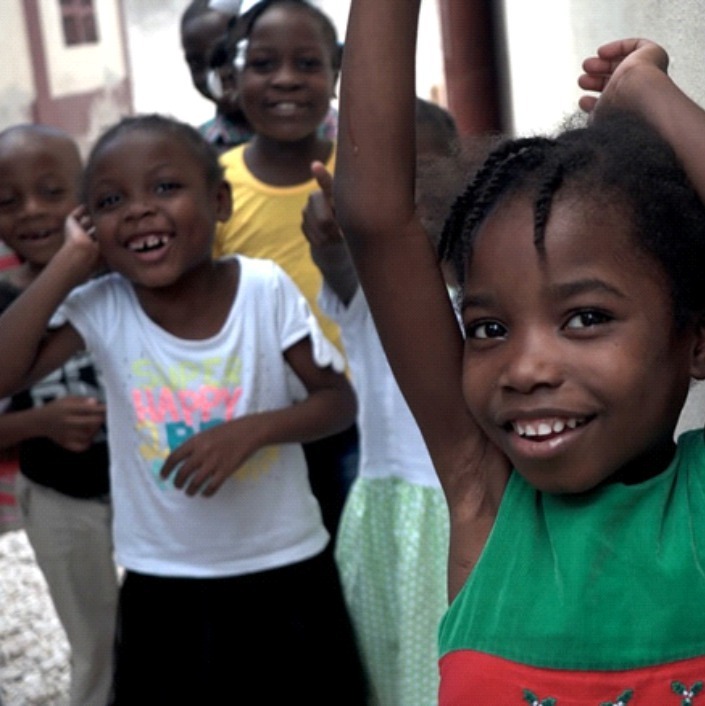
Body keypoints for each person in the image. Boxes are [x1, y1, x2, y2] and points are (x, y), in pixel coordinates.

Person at [334, 0, 705, 702]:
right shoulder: (487, 499)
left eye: (586, 317)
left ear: (694, 341)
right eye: (487, 329)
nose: (525, 368)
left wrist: (646, 94)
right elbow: (376, 218)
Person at [0, 114, 367, 705]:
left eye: (165, 187)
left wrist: (254, 431)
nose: (140, 210)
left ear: (219, 201)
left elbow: (338, 402)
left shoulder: (263, 290)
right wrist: (69, 264)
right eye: (112, 201)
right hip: (165, 579)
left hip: (286, 565)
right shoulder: (102, 305)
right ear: (91, 227)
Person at [301, 96, 461, 706]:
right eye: (376, 184)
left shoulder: (487, 284)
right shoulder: (370, 287)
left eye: (420, 175)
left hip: (462, 512)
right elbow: (337, 262)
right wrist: (333, 242)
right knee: (387, 671)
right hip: (386, 510)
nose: (401, 200)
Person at [214, 0, 356, 537]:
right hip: (256, 419)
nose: (286, 80)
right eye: (264, 64)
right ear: (234, 78)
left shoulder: (362, 173)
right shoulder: (215, 186)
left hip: (357, 412)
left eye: (308, 64)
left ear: (336, 75)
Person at [0, 124, 117, 706]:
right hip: (61, 500)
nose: (31, 211)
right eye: (7, 200)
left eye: (52, 191)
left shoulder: (128, 279)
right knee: (96, 644)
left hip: (154, 500)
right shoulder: (5, 302)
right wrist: (37, 424)